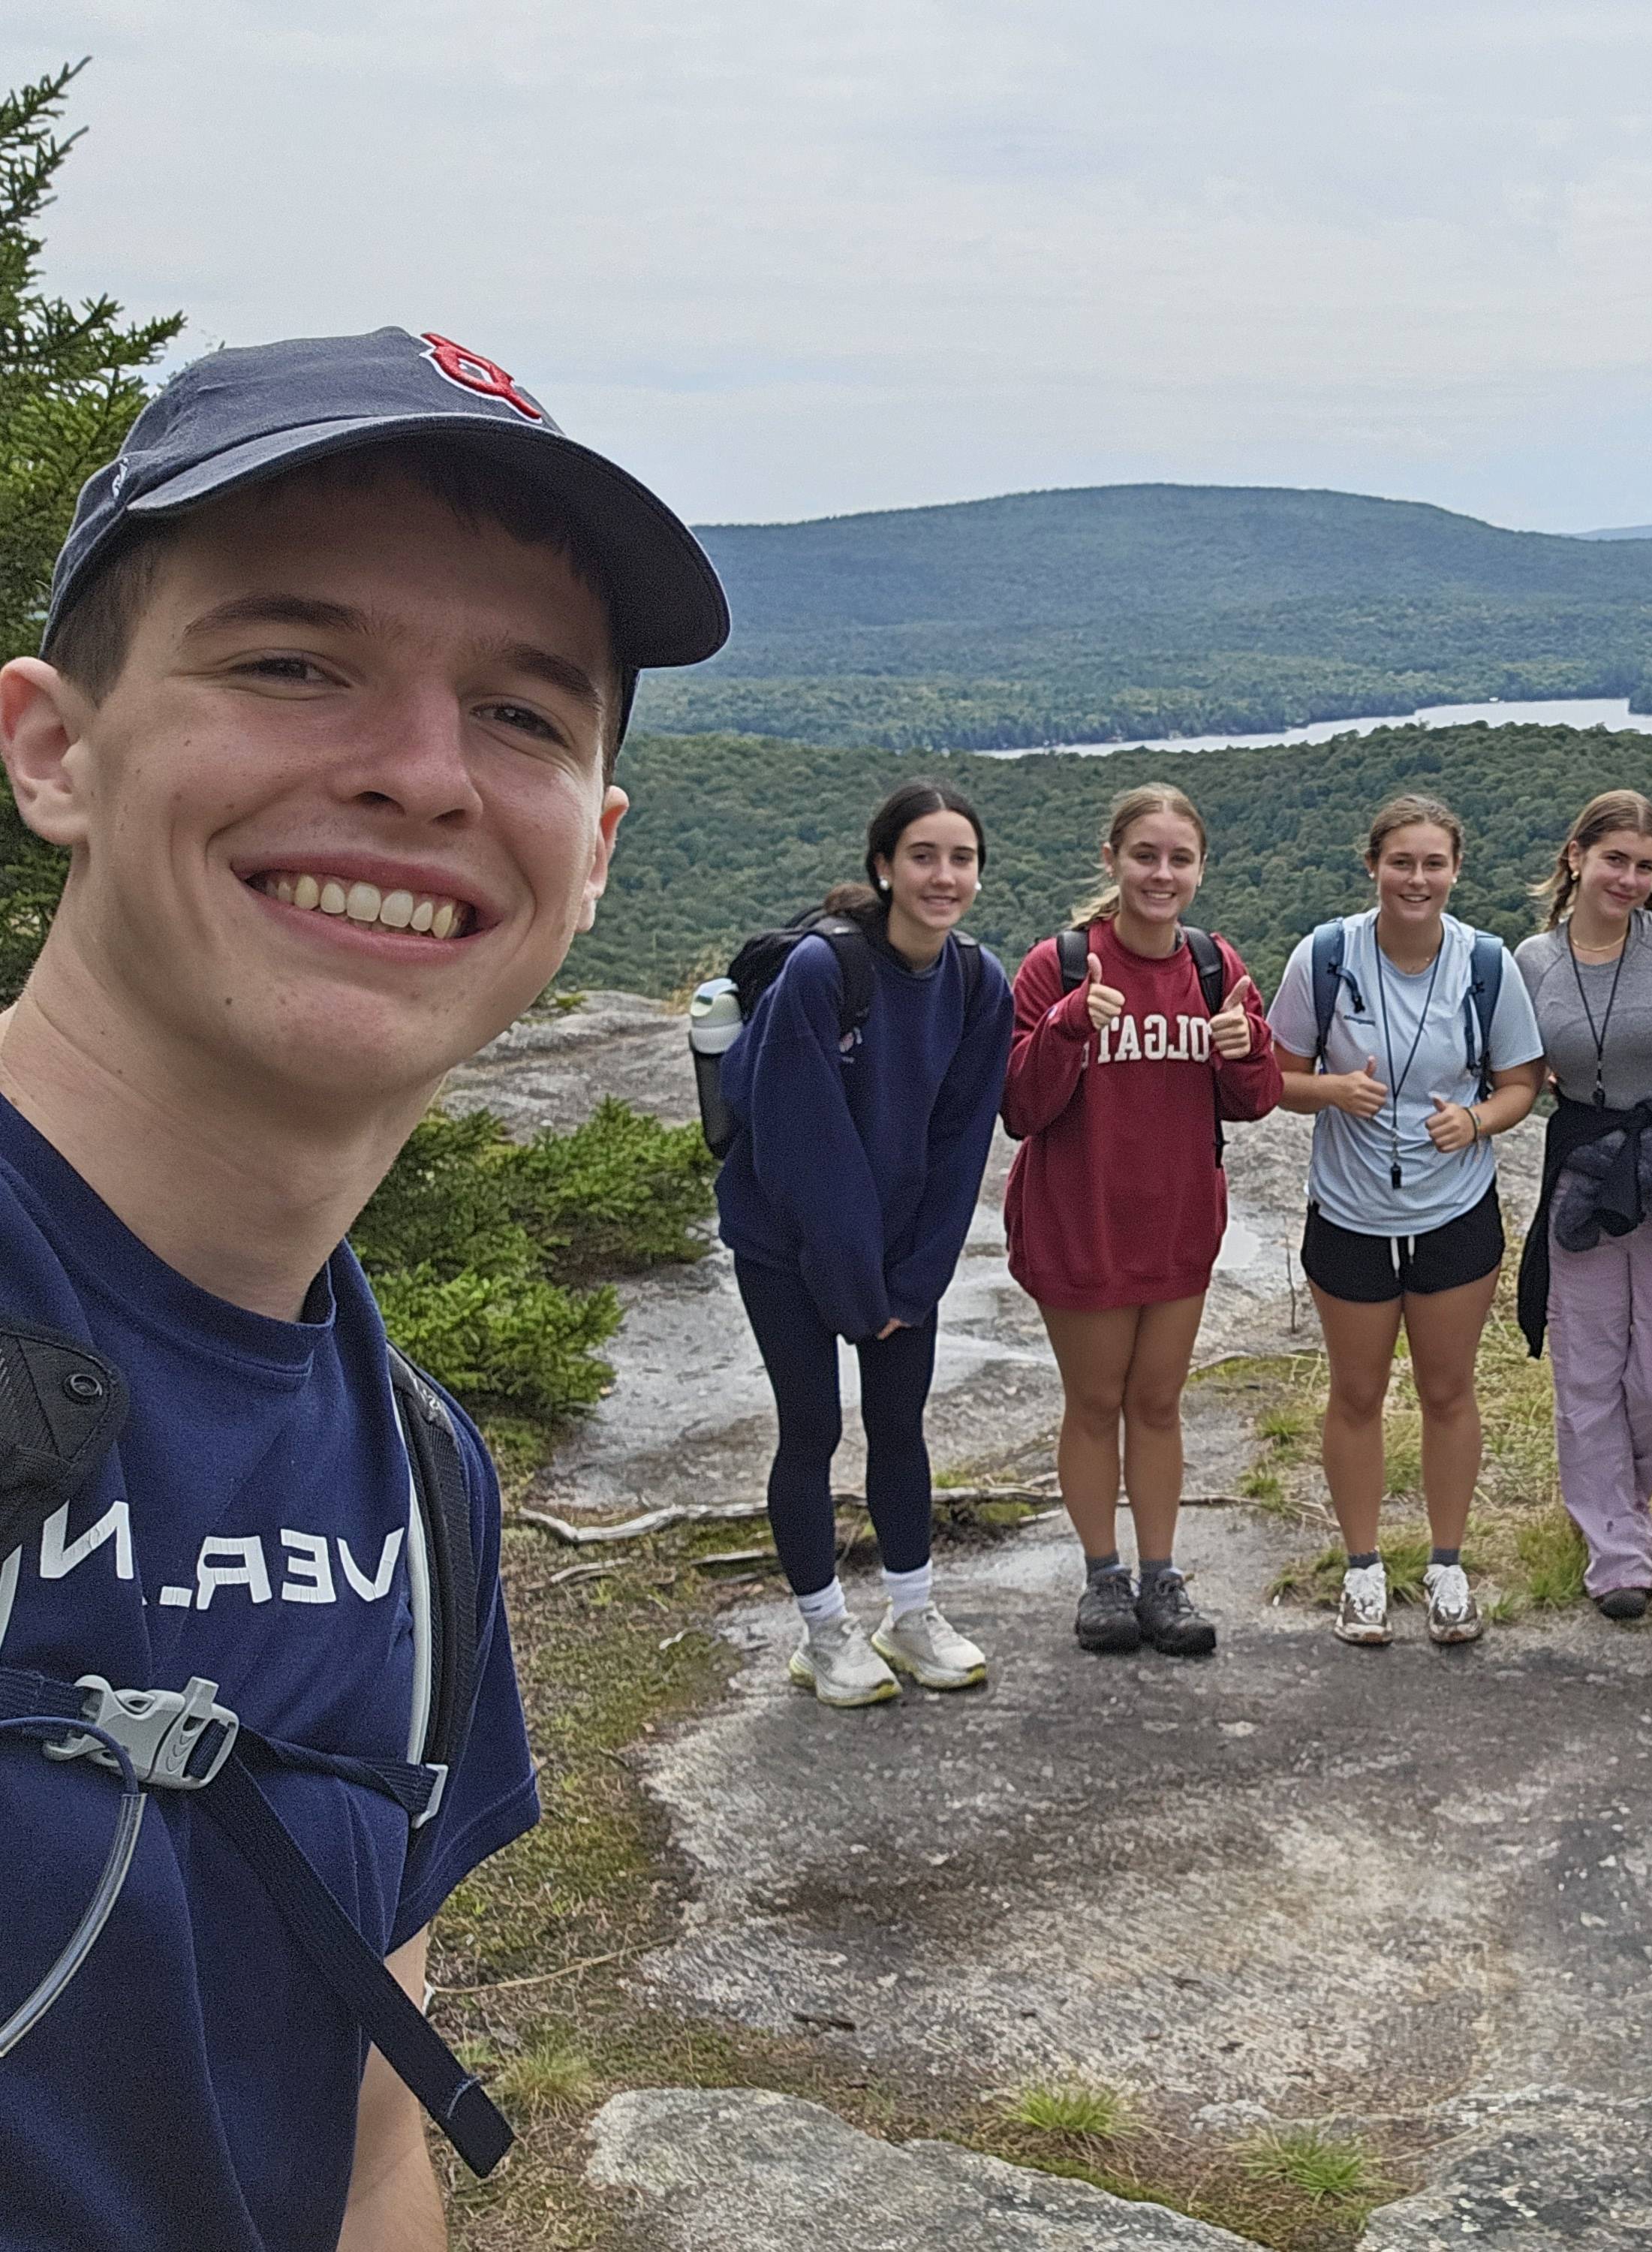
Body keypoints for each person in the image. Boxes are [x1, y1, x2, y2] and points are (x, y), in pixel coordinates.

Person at [0, 329, 726, 2247]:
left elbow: (361, 2110)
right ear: (54, 747)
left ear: (592, 858)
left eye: (523, 713)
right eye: (291, 663)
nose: (419, 773)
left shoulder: (417, 1475)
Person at [715, 780, 1011, 1706]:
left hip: (896, 1260)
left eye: (960, 858)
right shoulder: (821, 973)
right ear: (883, 867)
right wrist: (859, 1291)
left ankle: (911, 1614)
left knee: (900, 1428)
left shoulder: (975, 980)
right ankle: (823, 1632)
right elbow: (806, 1147)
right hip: (786, 1243)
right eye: (923, 856)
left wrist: (914, 1282)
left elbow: (963, 1142)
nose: (942, 875)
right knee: (812, 1430)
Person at [1004, 784, 1280, 1658]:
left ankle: (1161, 1576)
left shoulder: (1214, 966)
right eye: (1145, 856)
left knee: (1157, 1403)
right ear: (1112, 861)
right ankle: (1101, 1579)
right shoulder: (1058, 965)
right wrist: (1067, 1025)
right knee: (1094, 1403)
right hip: (1077, 1222)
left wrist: (1250, 1049)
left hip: (1176, 1227)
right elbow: (1019, 1107)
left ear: (1199, 869)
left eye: (1179, 859)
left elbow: (1254, 1103)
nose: (1161, 874)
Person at [1270, 794, 1544, 1647]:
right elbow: (1275, 1077)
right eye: (1401, 862)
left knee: (1446, 1389)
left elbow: (1521, 1082)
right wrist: (1332, 1091)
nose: (1416, 879)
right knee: (1355, 1394)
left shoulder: (1486, 963)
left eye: (1433, 864)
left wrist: (1477, 1121)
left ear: (1455, 870)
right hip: (1350, 1213)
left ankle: (1447, 1563)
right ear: (1373, 867)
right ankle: (1360, 1569)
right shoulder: (1324, 956)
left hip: (1454, 1211)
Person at [1511, 791, 1652, 1621]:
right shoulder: (1530, 962)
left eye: (1645, 866)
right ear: (1576, 857)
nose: (1630, 879)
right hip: (1583, 1179)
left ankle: (1619, 1505)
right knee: (1588, 1371)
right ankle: (1617, 1551)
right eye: (1615, 860)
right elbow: (1517, 1078)